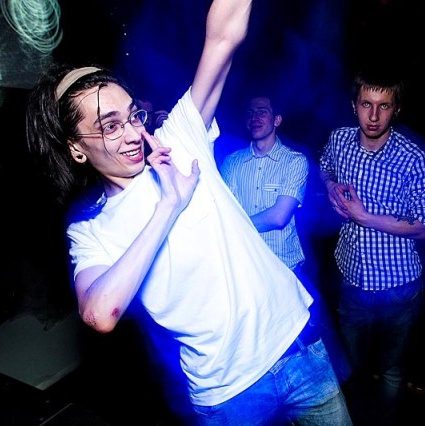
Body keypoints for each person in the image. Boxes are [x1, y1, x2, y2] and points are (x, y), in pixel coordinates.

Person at [24, 0, 352, 424]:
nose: (133, 134)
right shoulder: (90, 230)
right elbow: (100, 313)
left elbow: (223, 37)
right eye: (110, 125)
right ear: (76, 149)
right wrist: (168, 205)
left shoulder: (178, 140)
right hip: (228, 395)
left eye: (133, 116)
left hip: (298, 349)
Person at [319, 69, 425, 424]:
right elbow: (324, 166)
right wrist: (330, 186)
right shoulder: (339, 140)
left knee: (391, 370)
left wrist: (364, 217)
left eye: (383, 106)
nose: (373, 116)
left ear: (396, 109)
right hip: (352, 280)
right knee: (350, 366)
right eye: (366, 104)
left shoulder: (413, 158)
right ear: (353, 105)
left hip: (398, 288)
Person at [220, 95, 308, 274]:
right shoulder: (232, 162)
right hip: (245, 263)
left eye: (262, 112)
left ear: (277, 120)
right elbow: (225, 209)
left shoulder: (294, 161)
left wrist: (234, 224)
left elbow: (279, 217)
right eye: (250, 113)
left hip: (283, 266)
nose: (254, 118)